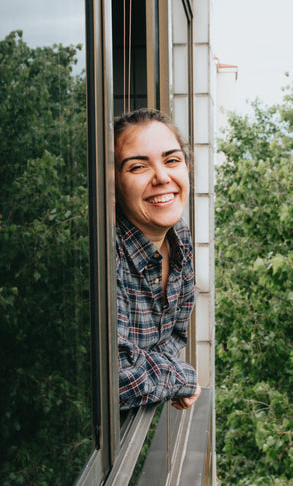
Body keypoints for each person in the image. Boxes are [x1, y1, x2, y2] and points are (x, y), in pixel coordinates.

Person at [114, 108, 201, 411]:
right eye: (138, 167)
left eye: (172, 160)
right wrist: (181, 377)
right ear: (113, 185)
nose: (162, 177)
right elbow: (118, 375)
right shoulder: (108, 252)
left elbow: (175, 337)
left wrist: (154, 370)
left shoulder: (180, 240)